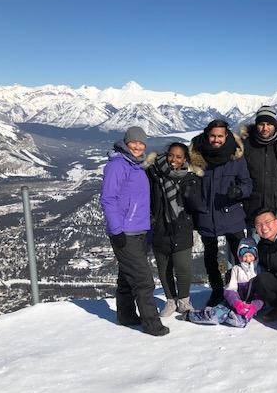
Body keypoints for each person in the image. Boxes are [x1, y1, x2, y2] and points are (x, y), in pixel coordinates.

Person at [100, 126, 169, 336]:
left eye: (141, 143)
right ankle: (151, 323)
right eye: (134, 142)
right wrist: (116, 229)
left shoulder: (136, 165)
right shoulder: (118, 165)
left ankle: (126, 315)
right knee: (143, 280)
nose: (138, 146)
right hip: (126, 232)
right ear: (126, 143)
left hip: (139, 230)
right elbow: (108, 199)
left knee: (127, 276)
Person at [190, 119, 253, 307]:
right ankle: (217, 291)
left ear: (226, 135)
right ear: (206, 135)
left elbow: (247, 183)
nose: (216, 140)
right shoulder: (196, 156)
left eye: (220, 136)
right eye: (212, 136)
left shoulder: (236, 157)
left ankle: (241, 288)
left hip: (231, 213)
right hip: (206, 214)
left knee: (240, 254)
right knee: (210, 257)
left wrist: (240, 192)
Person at [146, 142, 203, 317]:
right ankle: (170, 300)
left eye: (179, 157)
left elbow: (197, 204)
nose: (174, 160)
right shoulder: (153, 173)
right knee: (164, 268)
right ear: (166, 154)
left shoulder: (191, 177)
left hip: (182, 226)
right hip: (160, 227)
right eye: (171, 155)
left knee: (183, 267)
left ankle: (184, 301)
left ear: (185, 158)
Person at [186, 237, 263, 328]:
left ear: (255, 256)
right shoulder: (236, 269)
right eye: (245, 256)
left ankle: (230, 316)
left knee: (241, 321)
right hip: (234, 302)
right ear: (240, 257)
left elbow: (262, 294)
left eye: (250, 256)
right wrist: (236, 303)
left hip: (249, 306)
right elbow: (230, 289)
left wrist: (254, 306)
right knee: (215, 314)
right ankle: (193, 315)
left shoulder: (259, 270)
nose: (247, 259)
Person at [241, 106, 277, 226]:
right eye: (261, 124)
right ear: (256, 125)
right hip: (253, 209)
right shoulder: (246, 145)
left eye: (269, 124)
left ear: (275, 125)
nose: (265, 128)